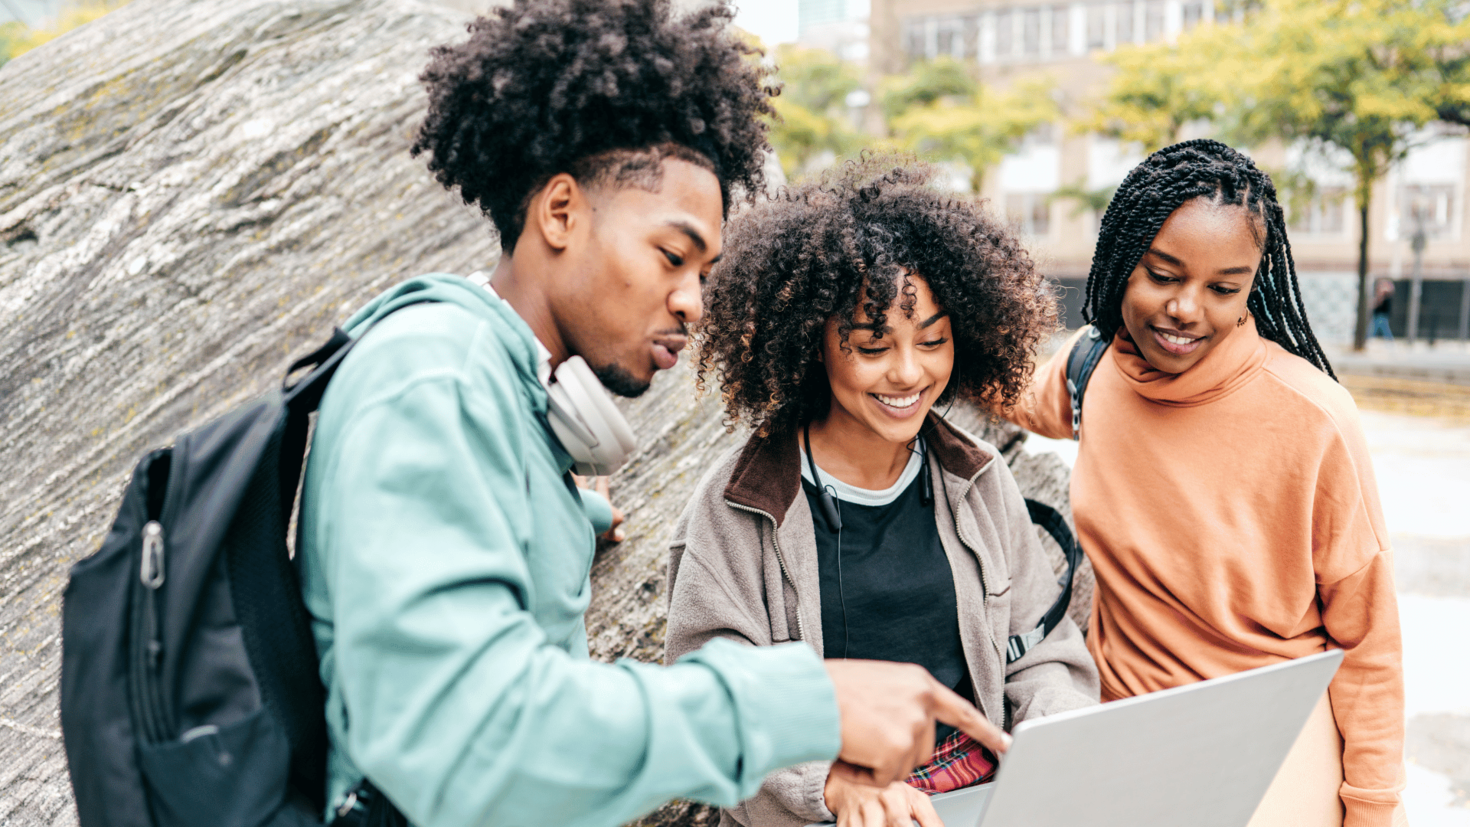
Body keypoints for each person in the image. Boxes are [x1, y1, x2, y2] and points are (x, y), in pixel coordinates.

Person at [294, 3, 1007, 826]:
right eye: (673, 256)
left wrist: (558, 517)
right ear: (560, 213)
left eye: (705, 270)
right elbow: (471, 746)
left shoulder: (497, 406)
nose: (693, 302)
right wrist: (805, 701)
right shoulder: (434, 384)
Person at [665, 159, 1099, 827]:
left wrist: (1050, 745)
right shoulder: (736, 508)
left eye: (933, 341)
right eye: (872, 346)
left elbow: (1043, 651)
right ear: (815, 346)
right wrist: (831, 782)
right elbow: (710, 699)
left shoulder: (978, 478)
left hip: (980, 794)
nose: (908, 372)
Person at [1008, 139, 1405, 827]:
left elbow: (1369, 642)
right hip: (1123, 738)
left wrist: (1372, 811)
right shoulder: (1093, 372)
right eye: (1162, 275)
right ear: (1120, 261)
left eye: (1224, 288)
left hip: (1272, 742)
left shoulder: (1314, 418)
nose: (1188, 308)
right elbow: (990, 382)